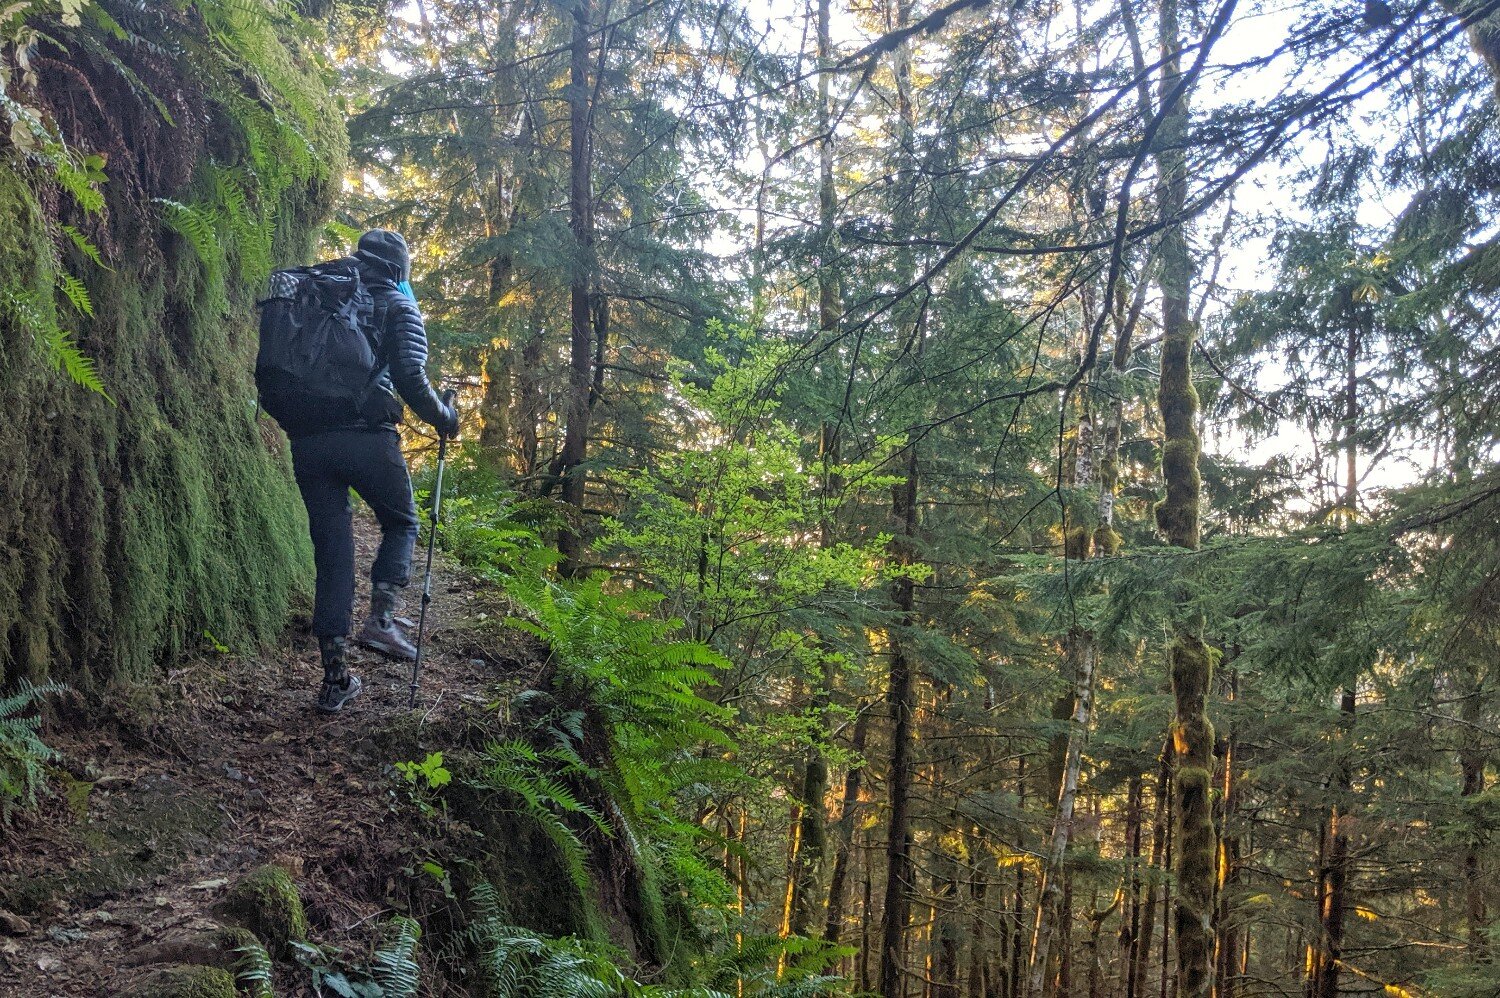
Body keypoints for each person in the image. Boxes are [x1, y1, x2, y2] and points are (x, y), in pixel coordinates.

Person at [283, 230, 459, 714]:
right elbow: (410, 378)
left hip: (307, 440)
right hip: (365, 435)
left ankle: (335, 678)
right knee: (402, 520)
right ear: (399, 269)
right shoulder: (396, 304)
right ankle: (382, 621)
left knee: (333, 552)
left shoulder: (319, 293)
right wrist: (445, 418)